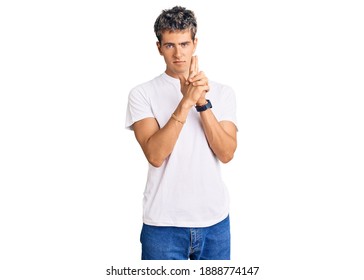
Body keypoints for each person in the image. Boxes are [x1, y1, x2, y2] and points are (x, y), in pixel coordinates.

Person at [125, 6, 238, 260]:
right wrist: (185, 102)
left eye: (184, 44)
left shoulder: (223, 92)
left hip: (215, 224)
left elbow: (227, 153)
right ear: (158, 47)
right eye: (170, 46)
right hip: (163, 225)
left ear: (195, 43)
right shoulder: (141, 94)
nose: (179, 54)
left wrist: (201, 103)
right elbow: (155, 155)